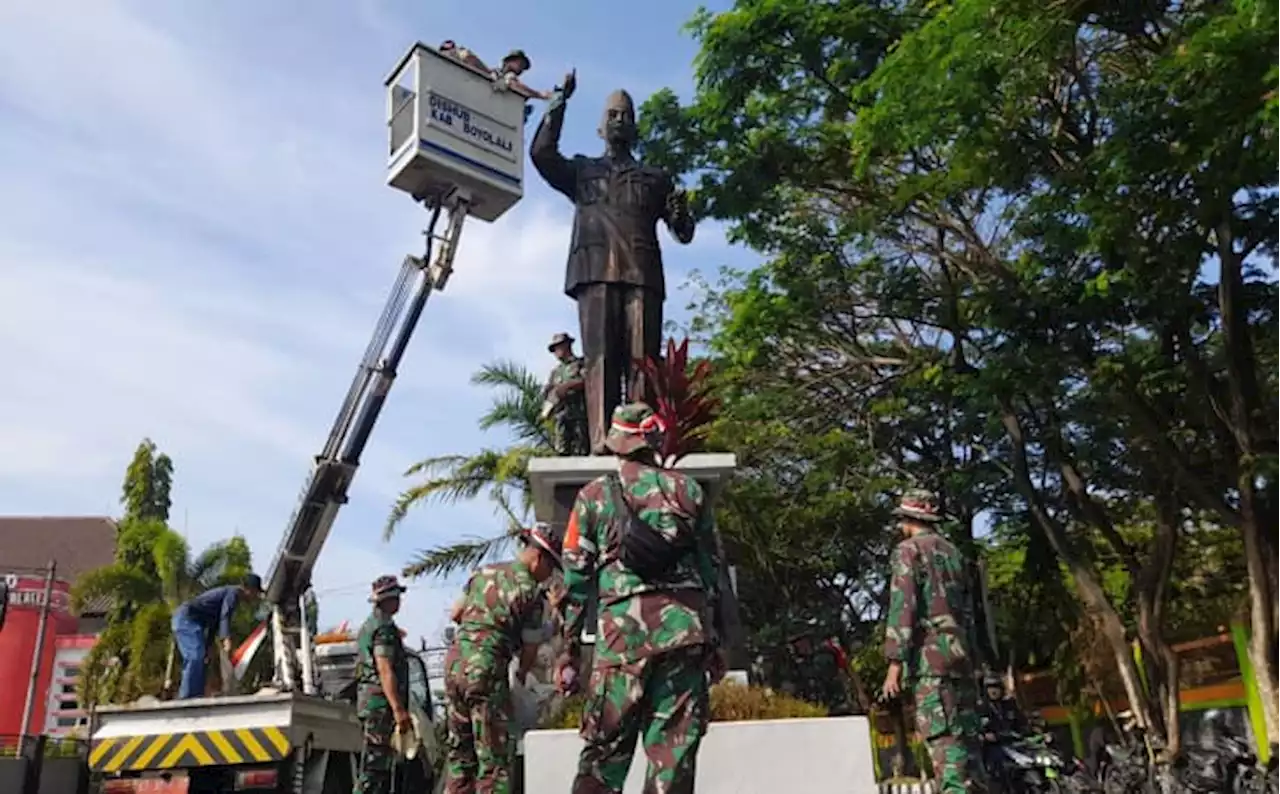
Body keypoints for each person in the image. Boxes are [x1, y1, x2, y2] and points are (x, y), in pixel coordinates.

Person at [557, 402, 727, 794]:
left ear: (617, 446)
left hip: (623, 639)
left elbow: (576, 581)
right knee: (673, 758)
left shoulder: (594, 496)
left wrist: (569, 649)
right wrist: (713, 640)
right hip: (685, 634)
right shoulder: (689, 492)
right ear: (652, 441)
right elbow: (710, 571)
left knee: (604, 754)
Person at [530, 75, 697, 454]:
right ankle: (603, 442)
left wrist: (682, 212)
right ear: (600, 127)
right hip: (593, 272)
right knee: (601, 358)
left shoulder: (656, 178)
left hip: (642, 272)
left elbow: (683, 232)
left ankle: (639, 438)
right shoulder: (581, 170)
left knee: (642, 359)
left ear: (635, 127)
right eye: (612, 114)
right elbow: (542, 154)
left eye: (626, 114)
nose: (619, 119)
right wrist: (557, 105)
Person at [444, 523, 564, 794]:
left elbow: (455, 613)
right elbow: (530, 649)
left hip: (454, 664)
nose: (549, 575)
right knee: (494, 759)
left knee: (460, 754)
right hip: (486, 668)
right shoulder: (531, 591)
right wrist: (519, 678)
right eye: (551, 567)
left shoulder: (483, 572)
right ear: (538, 557)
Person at [881, 489, 985, 794]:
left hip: (931, 663)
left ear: (906, 520)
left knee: (944, 742)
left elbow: (903, 608)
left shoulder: (907, 551)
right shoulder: (953, 552)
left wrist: (894, 665)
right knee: (969, 743)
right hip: (962, 660)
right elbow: (968, 612)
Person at [354, 575, 412, 794]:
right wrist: (398, 709)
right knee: (374, 769)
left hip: (371, 703)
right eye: (395, 597)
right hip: (379, 705)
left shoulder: (369, 626)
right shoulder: (384, 628)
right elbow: (384, 668)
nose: (399, 601)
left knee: (378, 767)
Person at [171, 574, 262, 699]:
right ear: (248, 589)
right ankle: (186, 696)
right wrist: (226, 639)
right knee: (195, 656)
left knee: (203, 658)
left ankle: (197, 695)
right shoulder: (233, 593)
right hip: (186, 619)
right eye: (255, 593)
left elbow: (215, 622)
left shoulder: (231, 596)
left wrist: (209, 645)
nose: (255, 597)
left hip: (194, 623)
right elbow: (225, 615)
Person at [542, 332, 589, 456]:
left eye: (558, 347)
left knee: (581, 449)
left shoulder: (580, 364)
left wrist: (568, 386)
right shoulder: (556, 372)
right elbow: (550, 393)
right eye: (554, 350)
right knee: (562, 450)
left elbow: (588, 382)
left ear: (567, 346)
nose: (556, 352)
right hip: (561, 415)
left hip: (579, 414)